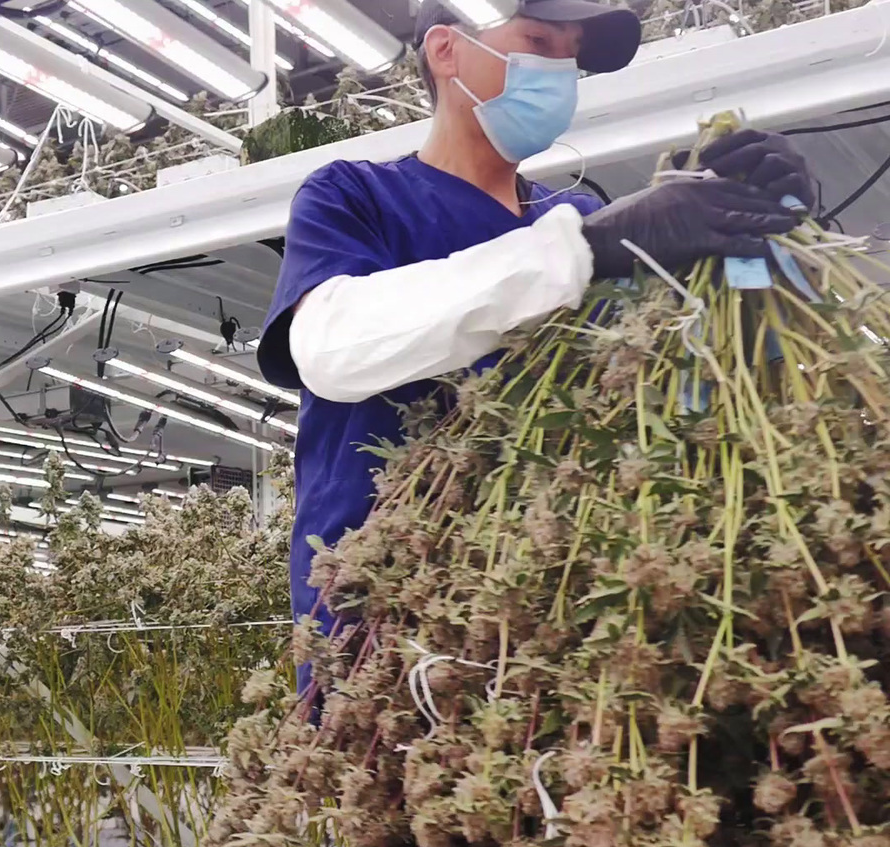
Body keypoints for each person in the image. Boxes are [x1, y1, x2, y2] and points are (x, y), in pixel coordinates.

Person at [258, 0, 814, 695]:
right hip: (386, 630)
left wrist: (775, 230)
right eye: (537, 41)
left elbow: (693, 384)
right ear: (446, 50)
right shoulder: (356, 196)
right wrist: (584, 252)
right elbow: (331, 346)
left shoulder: (575, 217)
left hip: (553, 620)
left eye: (570, 54)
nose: (558, 70)